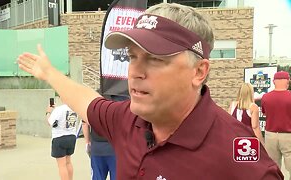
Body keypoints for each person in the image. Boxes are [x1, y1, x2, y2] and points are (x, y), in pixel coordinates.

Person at [18, 3, 283, 179]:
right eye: (132, 57)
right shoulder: (127, 119)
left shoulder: (243, 161)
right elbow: (87, 101)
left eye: (156, 58)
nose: (135, 71)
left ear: (199, 71)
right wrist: (49, 73)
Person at [82, 95, 127, 180]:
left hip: (97, 147)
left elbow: (85, 123)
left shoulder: (94, 98)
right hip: (116, 148)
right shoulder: (122, 98)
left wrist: (87, 142)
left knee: (97, 177)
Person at [261, 70, 291, 179]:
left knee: (273, 166)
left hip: (271, 135)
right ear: (287, 81)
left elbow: (264, 113)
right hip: (288, 136)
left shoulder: (266, 97)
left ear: (274, 82)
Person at [46, 98, 78, 180]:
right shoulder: (74, 108)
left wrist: (48, 112)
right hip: (71, 137)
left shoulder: (59, 109)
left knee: (61, 165)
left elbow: (49, 122)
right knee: (68, 162)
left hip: (59, 138)